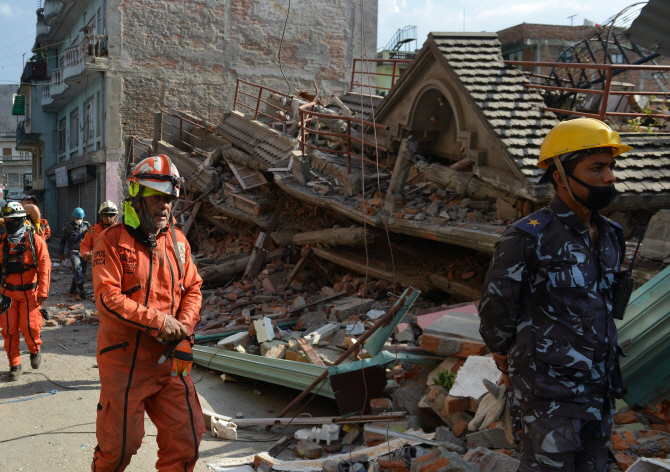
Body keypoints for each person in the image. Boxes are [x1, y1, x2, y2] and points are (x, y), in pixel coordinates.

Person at [479, 118, 632, 472]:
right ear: (560, 175)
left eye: (611, 166)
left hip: (600, 388)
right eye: (597, 168)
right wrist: (504, 357)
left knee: (595, 466)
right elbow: (497, 307)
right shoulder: (528, 237)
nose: (609, 177)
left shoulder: (610, 234)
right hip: (549, 394)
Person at [91, 154, 205, 471]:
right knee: (119, 449)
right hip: (124, 360)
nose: (164, 206)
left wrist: (183, 333)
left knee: (187, 443)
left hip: (172, 360)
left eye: (168, 199)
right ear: (137, 197)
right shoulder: (111, 241)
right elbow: (108, 297)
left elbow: (193, 289)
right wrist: (159, 322)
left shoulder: (179, 243)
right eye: (156, 197)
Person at [0, 202, 51, 381]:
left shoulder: (35, 240)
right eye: (6, 220)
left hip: (30, 292)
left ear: (21, 220)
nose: (9, 222)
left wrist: (43, 291)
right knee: (8, 330)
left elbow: (45, 266)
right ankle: (15, 364)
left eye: (12, 219)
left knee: (30, 326)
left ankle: (35, 350)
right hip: (7, 294)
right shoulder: (3, 242)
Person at [59, 208, 91, 300]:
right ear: (73, 217)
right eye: (77, 218)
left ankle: (73, 289)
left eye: (80, 218)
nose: (79, 220)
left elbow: (91, 238)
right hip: (73, 252)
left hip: (84, 252)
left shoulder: (87, 226)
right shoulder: (68, 227)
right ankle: (81, 290)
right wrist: (61, 253)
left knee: (82, 271)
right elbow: (63, 241)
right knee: (77, 269)